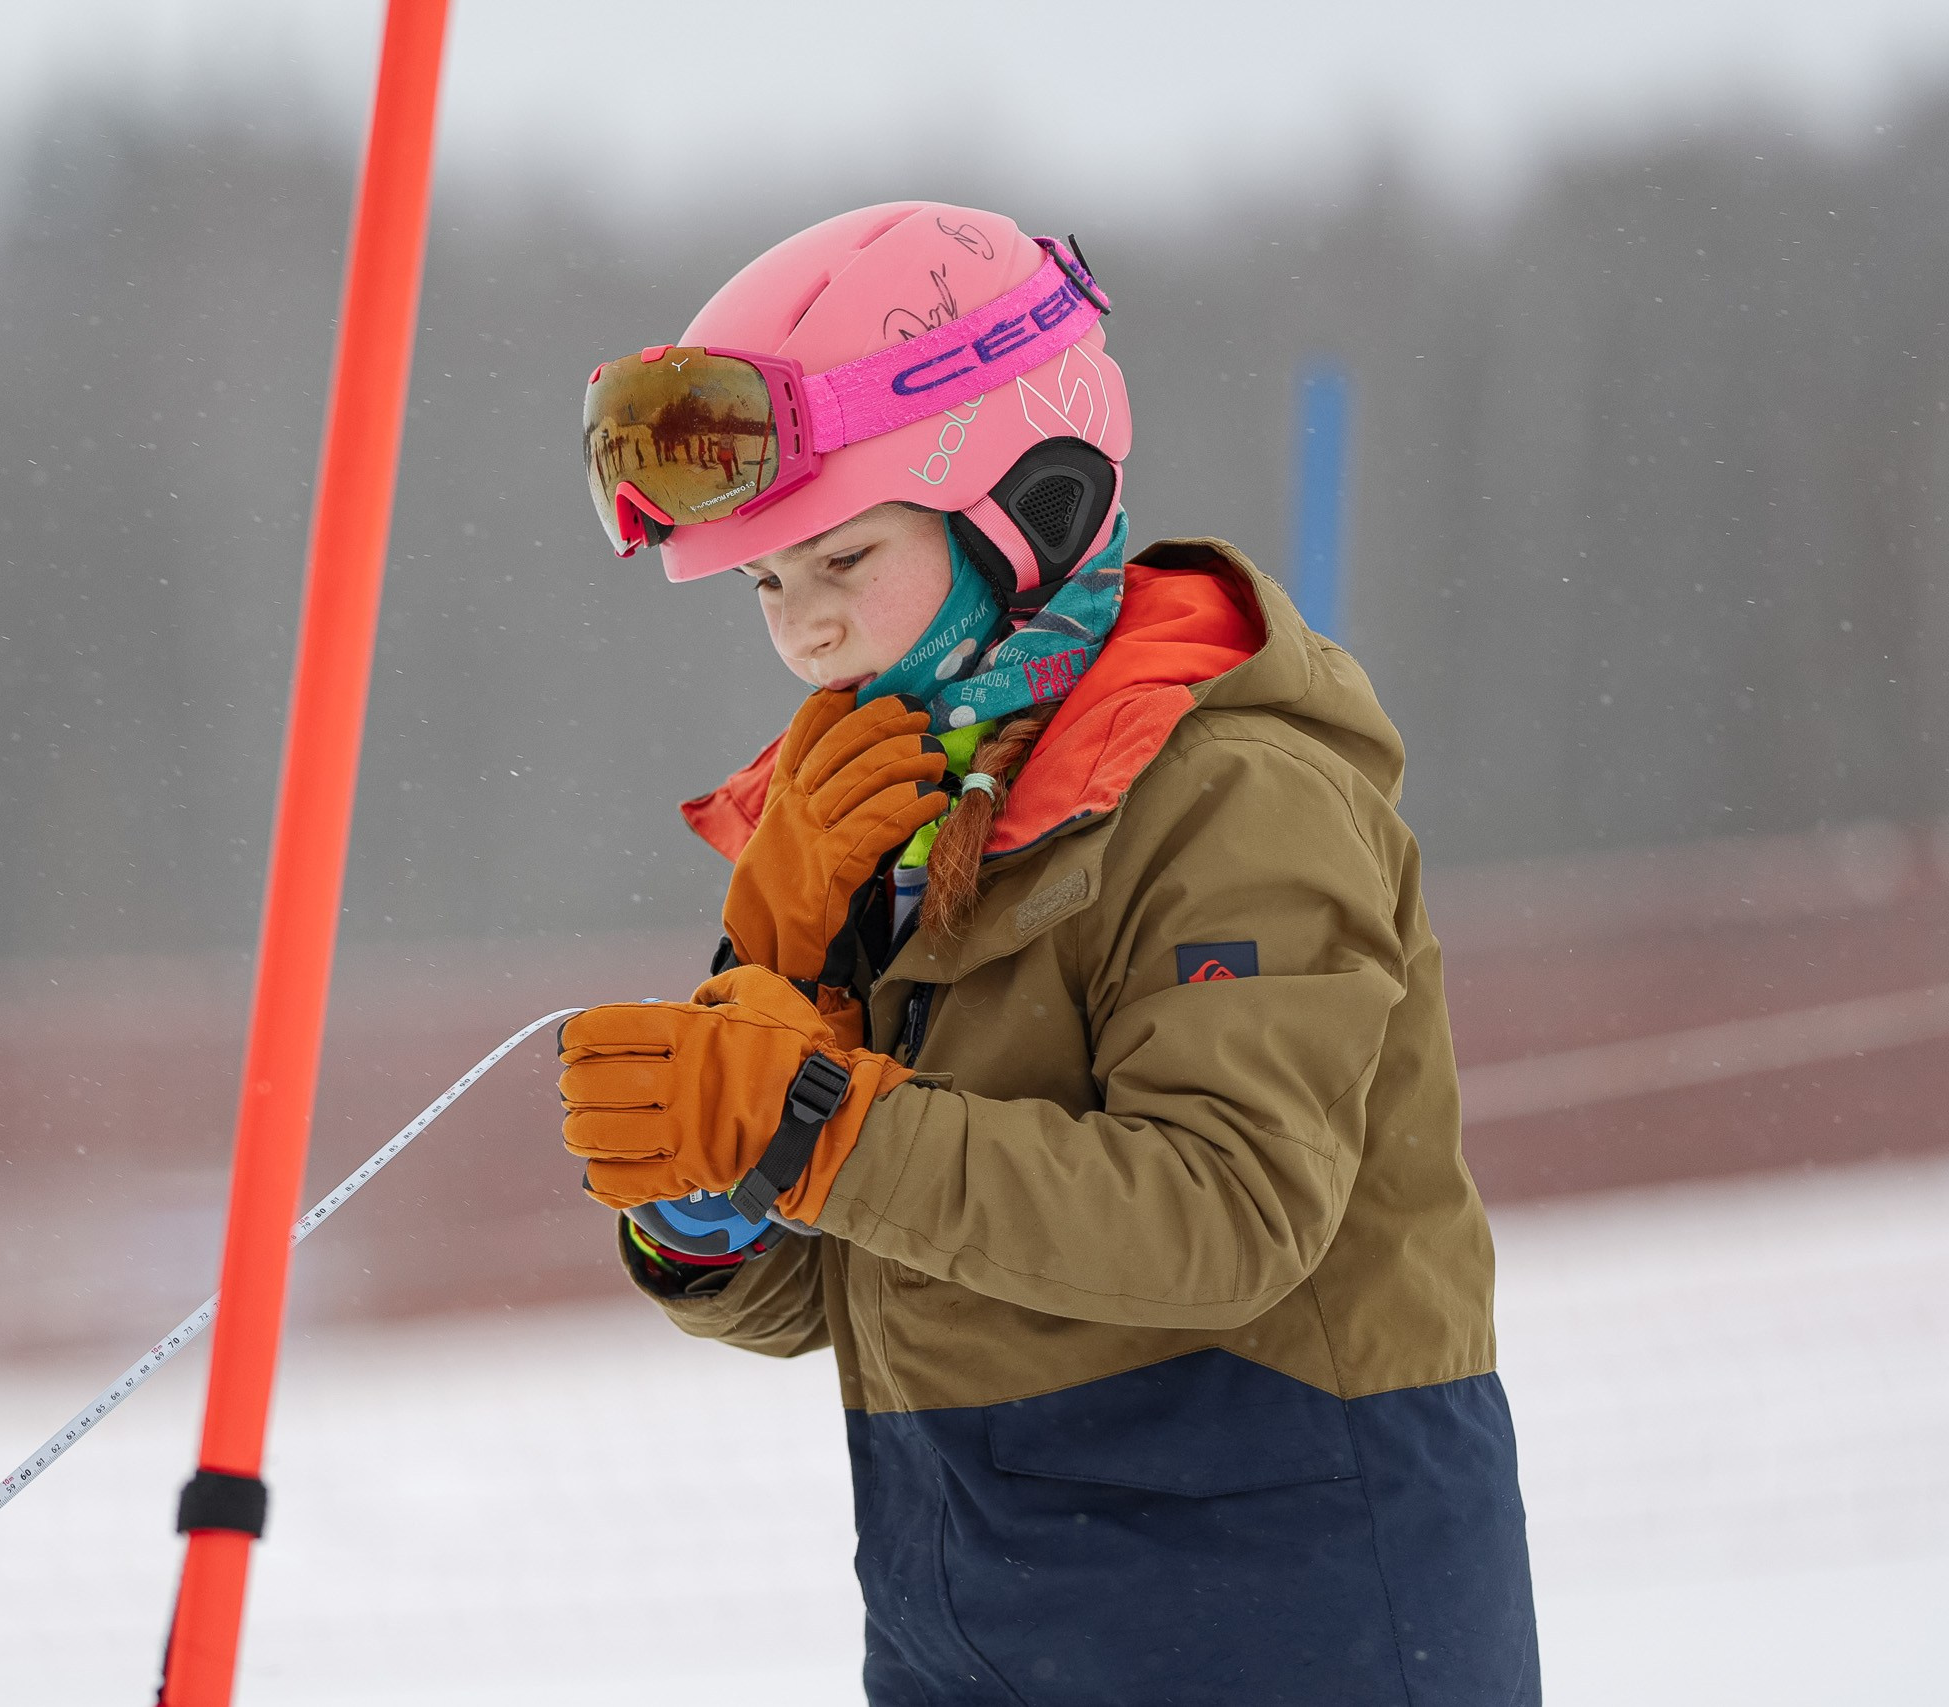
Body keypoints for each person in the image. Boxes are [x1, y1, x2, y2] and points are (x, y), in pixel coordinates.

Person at [562, 202, 1540, 1704]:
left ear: (1035, 501)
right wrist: (718, 1177)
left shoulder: (1234, 798)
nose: (804, 633)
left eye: (840, 559)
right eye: (767, 586)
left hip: (1284, 1618)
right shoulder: (886, 822)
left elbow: (1226, 1216)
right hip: (983, 1622)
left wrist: (813, 1124)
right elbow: (871, 1289)